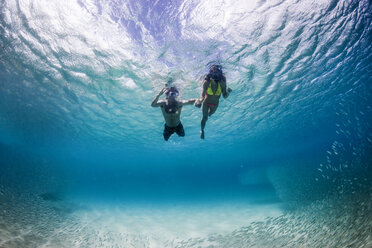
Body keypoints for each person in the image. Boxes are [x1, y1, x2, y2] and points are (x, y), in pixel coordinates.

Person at [195, 65, 232, 139]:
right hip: (206, 103)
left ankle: (206, 118)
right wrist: (199, 101)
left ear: (219, 75)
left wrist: (228, 92)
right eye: (213, 74)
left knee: (209, 115)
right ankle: (202, 130)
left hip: (215, 105)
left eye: (217, 74)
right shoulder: (206, 82)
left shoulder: (222, 83)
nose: (215, 76)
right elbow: (202, 96)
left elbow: (224, 96)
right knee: (204, 117)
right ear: (210, 74)